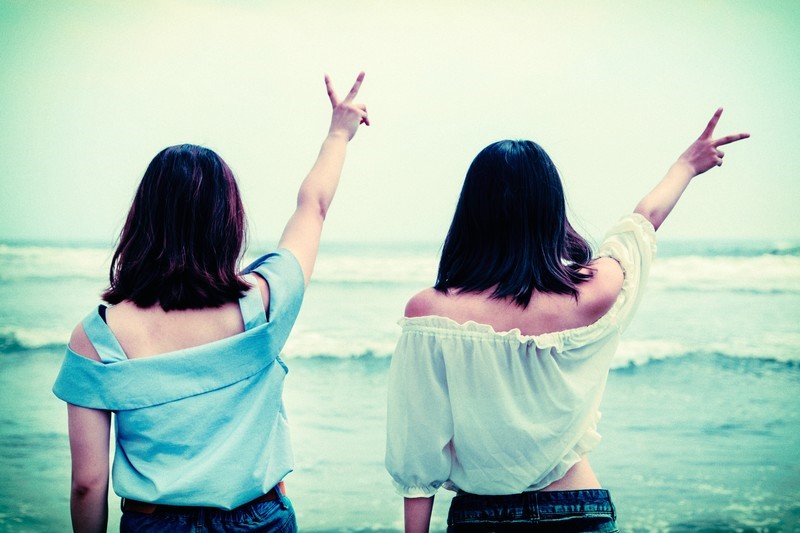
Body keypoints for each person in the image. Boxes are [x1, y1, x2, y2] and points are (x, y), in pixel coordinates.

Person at [385, 108, 749, 532]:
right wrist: (685, 167)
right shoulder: (594, 290)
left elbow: (419, 449)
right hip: (580, 509)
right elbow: (642, 223)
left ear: (472, 212)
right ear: (551, 209)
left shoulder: (431, 313)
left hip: (482, 518)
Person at [52, 72, 368, 533]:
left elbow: (87, 483)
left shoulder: (97, 338)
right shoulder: (265, 303)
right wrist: (339, 134)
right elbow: (313, 207)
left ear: (143, 218)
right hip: (259, 520)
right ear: (228, 220)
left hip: (156, 523)